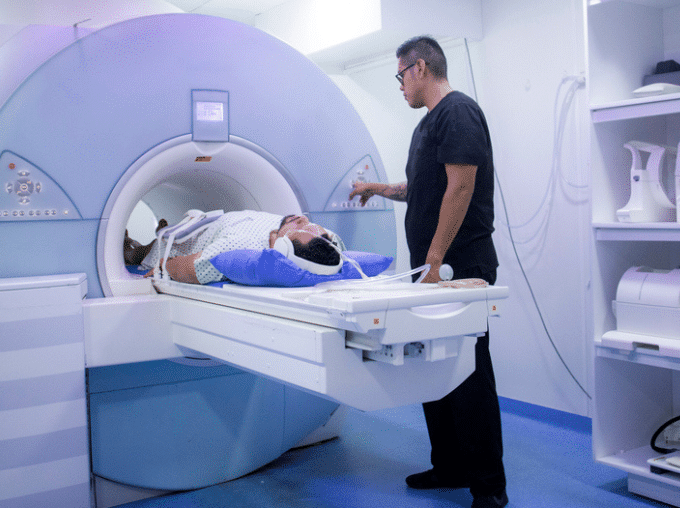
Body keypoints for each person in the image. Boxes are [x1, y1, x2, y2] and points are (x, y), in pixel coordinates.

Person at [349, 36, 507, 508]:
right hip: (433, 269)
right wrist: (376, 188)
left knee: (469, 373)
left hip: (460, 267)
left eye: (400, 76)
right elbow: (422, 190)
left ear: (419, 68)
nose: (399, 86)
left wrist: (435, 262)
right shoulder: (427, 126)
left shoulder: (458, 112)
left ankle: (489, 489)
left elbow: (460, 188)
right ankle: (450, 467)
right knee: (431, 366)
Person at [123, 210, 343, 284]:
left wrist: (165, 267)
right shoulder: (329, 244)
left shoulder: (237, 249)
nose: (302, 217)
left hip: (181, 244)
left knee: (151, 249)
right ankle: (163, 231)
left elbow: (184, 268)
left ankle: (133, 250)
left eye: (299, 225)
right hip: (211, 224)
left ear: (280, 248)